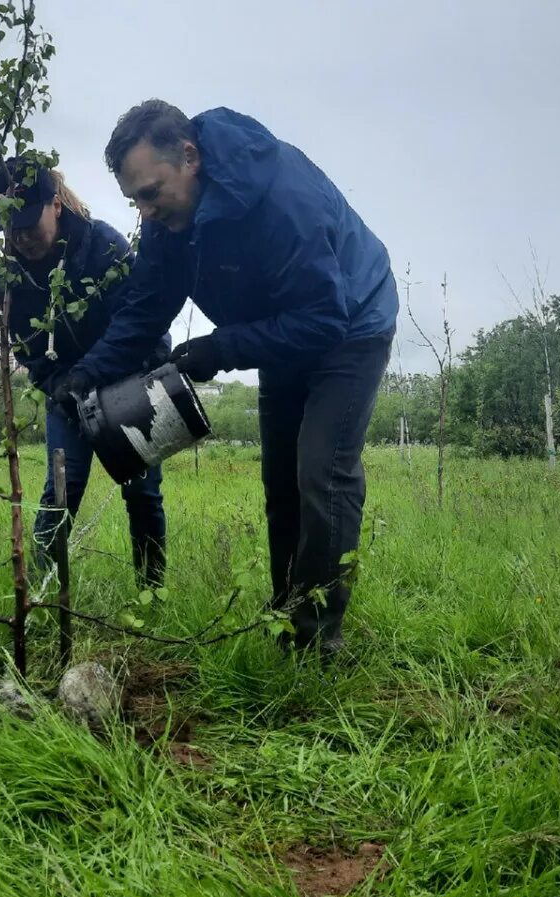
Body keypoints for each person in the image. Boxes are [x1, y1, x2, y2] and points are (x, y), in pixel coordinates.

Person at [54, 101, 399, 654]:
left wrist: (223, 347)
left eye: (150, 191)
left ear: (189, 157)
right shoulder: (170, 223)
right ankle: (288, 612)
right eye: (133, 199)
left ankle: (315, 643)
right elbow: (145, 308)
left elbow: (323, 318)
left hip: (350, 325)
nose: (143, 211)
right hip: (284, 329)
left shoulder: (283, 199)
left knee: (321, 471)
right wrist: (86, 374)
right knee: (279, 479)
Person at [0, 157, 170, 586]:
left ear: (55, 204)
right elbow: (28, 351)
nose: (22, 237)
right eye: (11, 228)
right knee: (59, 493)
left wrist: (99, 374)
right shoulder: (8, 279)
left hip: (128, 381)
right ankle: (36, 594)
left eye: (29, 223)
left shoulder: (103, 245)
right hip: (66, 395)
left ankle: (152, 591)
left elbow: (142, 323)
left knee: (142, 493)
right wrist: (60, 387)